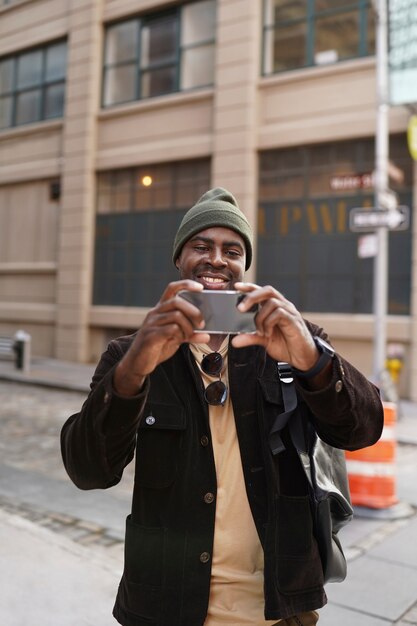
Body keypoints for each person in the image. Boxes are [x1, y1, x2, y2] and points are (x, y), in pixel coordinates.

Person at [61, 187, 383, 626]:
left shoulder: (288, 339)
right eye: (201, 246)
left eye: (232, 250)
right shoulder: (132, 353)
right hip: (166, 605)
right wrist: (135, 367)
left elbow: (363, 430)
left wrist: (312, 359)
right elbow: (89, 471)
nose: (217, 259)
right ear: (179, 258)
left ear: (244, 266)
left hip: (279, 605)